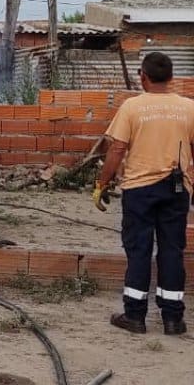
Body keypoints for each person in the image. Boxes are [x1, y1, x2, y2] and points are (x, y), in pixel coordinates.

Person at [95, 51, 193, 335]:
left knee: (139, 250)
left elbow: (116, 150)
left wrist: (102, 184)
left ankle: (135, 317)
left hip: (139, 189)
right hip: (177, 189)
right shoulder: (188, 108)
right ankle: (173, 319)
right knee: (172, 250)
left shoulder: (132, 107)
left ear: (143, 77)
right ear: (172, 78)